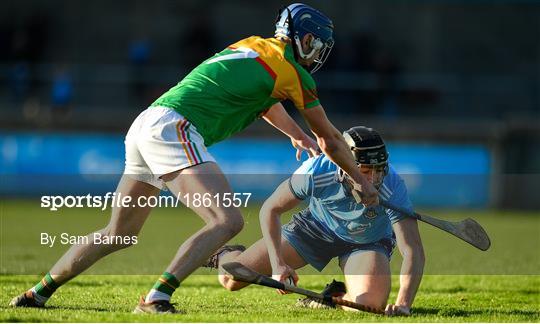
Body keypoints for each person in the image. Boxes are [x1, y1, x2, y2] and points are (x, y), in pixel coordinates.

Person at [9, 3, 378, 314]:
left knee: (118, 233)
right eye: (318, 46)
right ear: (306, 39)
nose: (318, 54)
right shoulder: (295, 73)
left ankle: (37, 293)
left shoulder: (255, 47)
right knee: (227, 220)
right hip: (174, 127)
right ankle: (156, 296)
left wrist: (295, 134)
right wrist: (361, 183)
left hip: (146, 124)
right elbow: (330, 137)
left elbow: (264, 102)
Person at [211, 126, 425, 316]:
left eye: (379, 170)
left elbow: (412, 248)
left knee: (368, 305)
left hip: (367, 242)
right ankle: (225, 255)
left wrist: (403, 303)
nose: (374, 180)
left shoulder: (393, 185)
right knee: (229, 280)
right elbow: (270, 209)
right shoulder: (317, 171)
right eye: (366, 171)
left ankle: (331, 298)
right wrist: (278, 266)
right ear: (344, 164)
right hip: (315, 229)